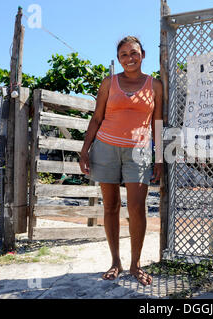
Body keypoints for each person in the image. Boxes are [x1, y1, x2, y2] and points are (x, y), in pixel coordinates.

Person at [79, 36, 163, 286]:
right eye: (124, 54)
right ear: (119, 59)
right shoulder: (109, 83)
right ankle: (115, 261)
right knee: (111, 206)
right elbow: (96, 118)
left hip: (138, 151)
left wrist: (158, 158)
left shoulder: (154, 85)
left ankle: (136, 264)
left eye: (134, 53)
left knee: (137, 208)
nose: (129, 58)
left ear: (143, 55)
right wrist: (85, 150)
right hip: (105, 148)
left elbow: (158, 123)